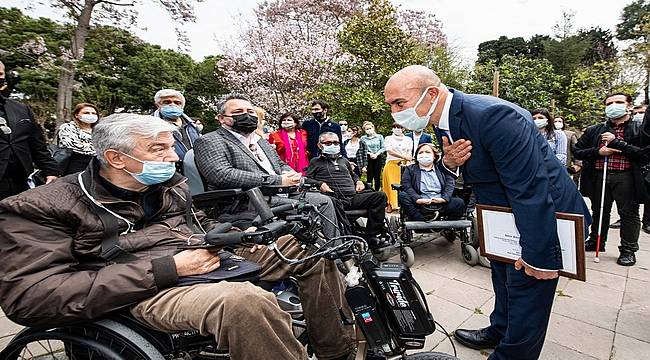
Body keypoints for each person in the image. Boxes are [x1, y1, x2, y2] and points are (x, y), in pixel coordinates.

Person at [0, 113, 355, 360]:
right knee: (245, 302)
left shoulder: (168, 185)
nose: (174, 156)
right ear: (115, 158)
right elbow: (30, 297)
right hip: (142, 288)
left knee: (307, 251)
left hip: (198, 260)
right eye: (159, 149)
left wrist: (238, 236)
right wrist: (169, 268)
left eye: (171, 146)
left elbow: (194, 227)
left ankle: (335, 352)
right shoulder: (39, 207)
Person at [384, 65, 590, 360]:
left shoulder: (493, 115)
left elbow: (530, 189)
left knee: (527, 292)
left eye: (399, 103)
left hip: (541, 217)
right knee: (503, 278)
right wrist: (448, 164)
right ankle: (500, 329)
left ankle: (512, 352)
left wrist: (541, 257)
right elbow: (473, 166)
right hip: (501, 216)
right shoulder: (441, 118)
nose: (394, 111)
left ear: (430, 94)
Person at [193, 94, 341, 239]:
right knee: (314, 206)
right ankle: (329, 256)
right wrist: (277, 180)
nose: (247, 115)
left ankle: (337, 254)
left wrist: (291, 174)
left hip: (280, 193)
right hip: (247, 200)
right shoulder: (210, 140)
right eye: (238, 112)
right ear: (221, 118)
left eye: (250, 112)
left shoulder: (260, 141)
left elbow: (280, 164)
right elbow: (222, 175)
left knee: (324, 200)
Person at [574, 93, 648, 266]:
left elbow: (644, 154)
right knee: (599, 210)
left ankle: (628, 249)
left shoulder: (640, 129)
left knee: (628, 214)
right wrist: (598, 152)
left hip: (627, 177)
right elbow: (578, 151)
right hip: (599, 175)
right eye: (610, 103)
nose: (613, 105)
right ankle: (596, 241)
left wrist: (617, 143)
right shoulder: (594, 130)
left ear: (629, 105)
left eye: (619, 102)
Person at [305, 132, 388, 247]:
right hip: (335, 200)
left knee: (380, 196)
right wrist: (320, 183)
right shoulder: (315, 162)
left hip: (353, 197)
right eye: (328, 143)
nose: (333, 145)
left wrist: (358, 181)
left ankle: (371, 236)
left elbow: (352, 175)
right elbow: (307, 179)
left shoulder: (343, 160)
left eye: (335, 143)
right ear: (320, 145)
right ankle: (348, 238)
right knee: (333, 202)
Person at [0, 60, 59, 199]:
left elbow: (37, 145)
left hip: (20, 183)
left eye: (1, 74)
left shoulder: (20, 108)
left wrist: (51, 171)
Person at [399, 143, 465, 221]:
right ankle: (421, 220)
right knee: (402, 196)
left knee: (459, 203)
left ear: (434, 156)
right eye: (420, 152)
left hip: (441, 202)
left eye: (427, 152)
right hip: (420, 203)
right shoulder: (410, 169)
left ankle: (448, 227)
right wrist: (417, 199)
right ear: (416, 156)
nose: (424, 154)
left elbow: (450, 183)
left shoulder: (442, 168)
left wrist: (444, 198)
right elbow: (406, 185)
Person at [153, 88, 201, 169]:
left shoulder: (192, 125)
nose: (172, 105)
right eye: (167, 102)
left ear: (182, 106)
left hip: (195, 171)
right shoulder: (151, 126)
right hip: (169, 170)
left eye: (177, 103)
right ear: (158, 105)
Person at [57, 103, 100, 174]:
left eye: (94, 113)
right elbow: (74, 146)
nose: (90, 115)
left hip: (97, 166)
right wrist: (97, 148)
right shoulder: (67, 128)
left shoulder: (99, 129)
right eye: (86, 113)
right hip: (75, 166)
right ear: (76, 115)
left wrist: (86, 143)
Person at [382, 123, 413, 212]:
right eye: (394, 127)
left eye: (399, 127)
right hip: (391, 163)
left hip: (404, 165)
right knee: (390, 184)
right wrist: (404, 157)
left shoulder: (408, 139)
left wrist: (407, 160)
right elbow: (390, 151)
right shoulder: (388, 138)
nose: (396, 129)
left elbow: (409, 152)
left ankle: (401, 204)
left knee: (403, 185)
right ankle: (389, 204)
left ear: (403, 129)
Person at [554, 116, 582, 182]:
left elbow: (576, 150)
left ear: (563, 123)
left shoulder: (570, 135)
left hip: (566, 166)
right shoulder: (548, 134)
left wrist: (578, 164)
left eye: (560, 121)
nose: (557, 123)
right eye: (555, 121)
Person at [360, 121, 385, 191]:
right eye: (366, 129)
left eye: (370, 128)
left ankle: (377, 190)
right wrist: (369, 153)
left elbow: (383, 147)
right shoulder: (363, 138)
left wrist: (377, 154)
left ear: (373, 128)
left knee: (377, 176)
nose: (369, 130)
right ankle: (369, 191)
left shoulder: (379, 137)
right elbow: (361, 149)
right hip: (368, 158)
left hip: (378, 157)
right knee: (369, 176)